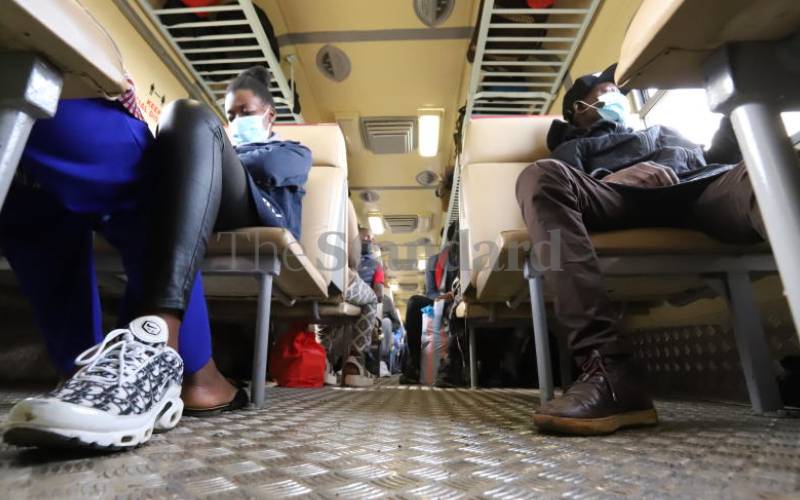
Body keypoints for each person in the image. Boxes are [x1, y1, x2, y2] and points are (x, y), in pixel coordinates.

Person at [2, 65, 312, 449]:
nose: (235, 121)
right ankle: (94, 367)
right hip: (199, 190)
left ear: (270, 115)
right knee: (37, 192)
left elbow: (263, 168)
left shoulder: (290, 151)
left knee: (189, 115)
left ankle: (160, 339)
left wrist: (195, 152)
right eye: (230, 115)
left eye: (245, 113)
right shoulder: (212, 146)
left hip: (253, 206)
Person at [515, 63, 755, 435]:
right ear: (580, 109)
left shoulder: (662, 132)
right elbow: (564, 191)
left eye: (618, 92)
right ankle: (607, 368)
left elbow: (716, 158)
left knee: (768, 177)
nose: (616, 99)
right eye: (605, 94)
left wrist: (734, 105)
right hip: (619, 199)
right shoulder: (574, 147)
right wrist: (608, 178)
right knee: (538, 176)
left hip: (698, 190)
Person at [319, 201, 379, 387]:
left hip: (294, 276)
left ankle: (322, 359)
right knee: (370, 299)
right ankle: (355, 361)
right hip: (335, 279)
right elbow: (353, 257)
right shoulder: (344, 202)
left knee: (332, 306)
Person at [400, 224, 459, 384]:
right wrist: (442, 299)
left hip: (458, 300)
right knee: (414, 304)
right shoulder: (434, 261)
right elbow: (431, 291)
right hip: (437, 303)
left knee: (460, 307)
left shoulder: (465, 257)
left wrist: (454, 297)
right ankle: (415, 364)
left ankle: (453, 365)